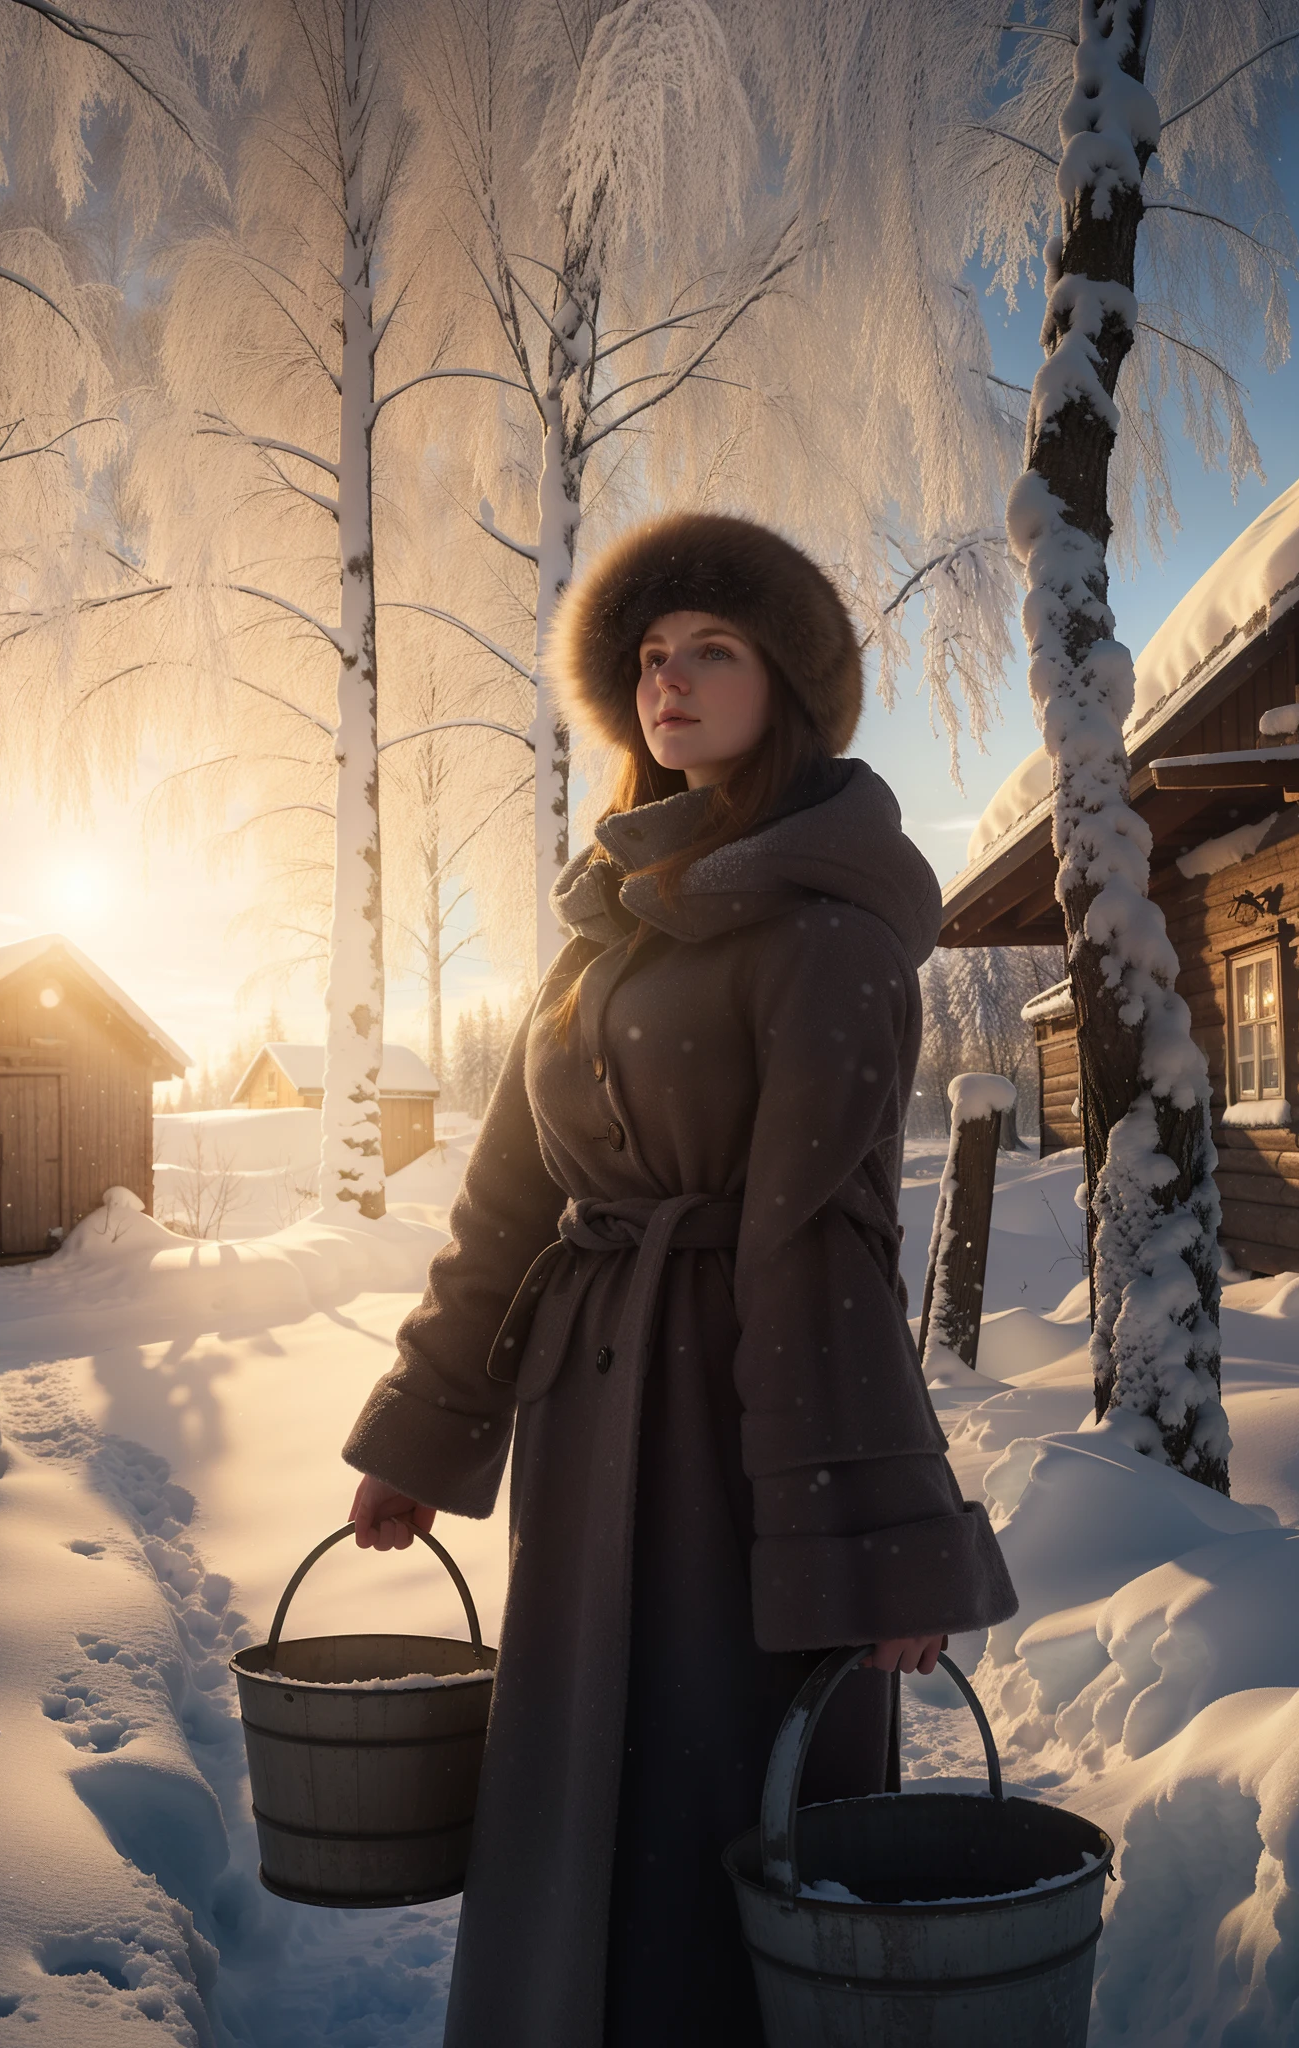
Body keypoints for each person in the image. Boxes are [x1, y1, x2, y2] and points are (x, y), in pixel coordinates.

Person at [341, 511, 1017, 2046]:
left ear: (789, 681)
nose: (672, 682)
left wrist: (879, 1544)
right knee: (576, 1779)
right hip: (591, 1432)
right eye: (650, 659)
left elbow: (826, 1242)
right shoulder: (601, 933)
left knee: (724, 1789)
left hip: (741, 1438)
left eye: (712, 649)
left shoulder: (826, 936)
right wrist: (425, 1439)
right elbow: (507, 1201)